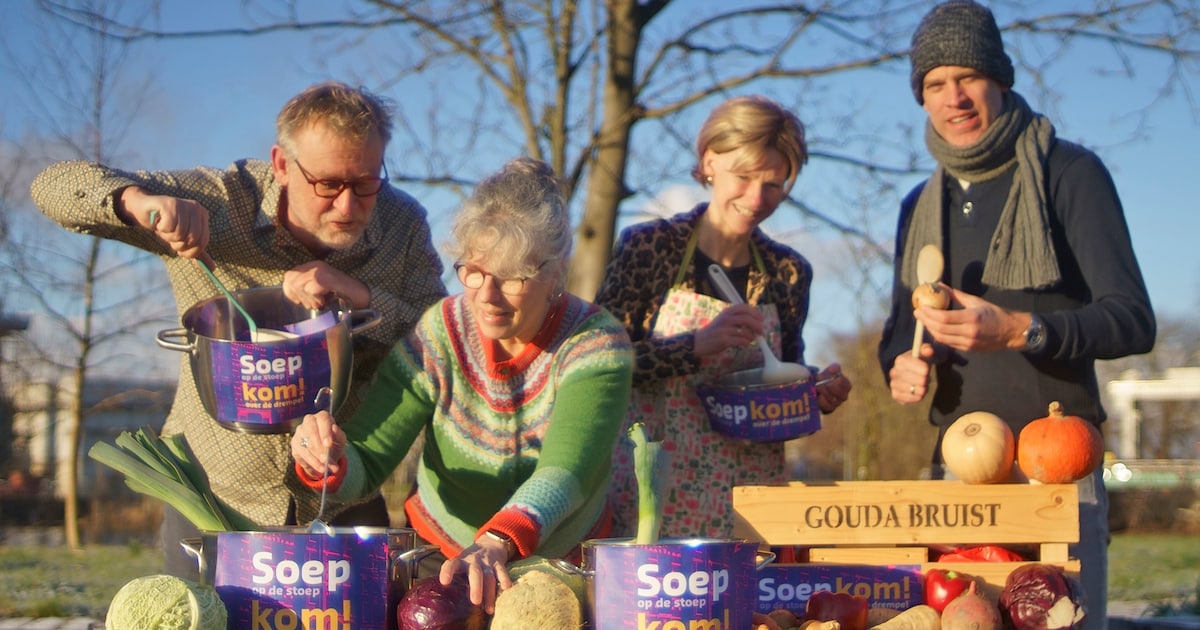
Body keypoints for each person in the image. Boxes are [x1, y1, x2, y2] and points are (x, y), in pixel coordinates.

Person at [30, 81, 447, 579]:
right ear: (282, 164)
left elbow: (441, 338)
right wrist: (138, 204)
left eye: (365, 183)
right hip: (214, 493)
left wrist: (358, 295)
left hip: (341, 492)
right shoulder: (219, 201)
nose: (348, 205)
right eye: (328, 185)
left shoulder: (403, 225)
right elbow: (53, 186)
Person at [877, 2, 1156, 627]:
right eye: (935, 84)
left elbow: (1134, 320)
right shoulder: (918, 205)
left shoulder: (1070, 173)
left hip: (1054, 468)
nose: (955, 98)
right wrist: (898, 367)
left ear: (1000, 78)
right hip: (955, 472)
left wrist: (1021, 330)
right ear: (920, 96)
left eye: (968, 77)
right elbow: (899, 332)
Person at [289, 156, 634, 613]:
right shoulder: (440, 333)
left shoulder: (596, 343)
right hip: (445, 560)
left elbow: (566, 471)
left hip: (561, 565)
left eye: (512, 277)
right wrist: (328, 458)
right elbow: (369, 460)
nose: (486, 297)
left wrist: (497, 540)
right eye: (473, 271)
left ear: (554, 272)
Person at [594, 95, 853, 540]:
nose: (756, 198)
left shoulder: (788, 273)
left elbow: (780, 378)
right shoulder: (649, 249)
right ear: (709, 161)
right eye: (744, 176)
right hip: (651, 501)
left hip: (753, 504)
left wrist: (814, 389)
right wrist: (694, 347)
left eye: (773, 184)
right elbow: (597, 363)